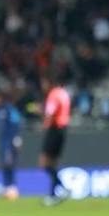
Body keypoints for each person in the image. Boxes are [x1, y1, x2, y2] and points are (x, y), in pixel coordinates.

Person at [39, 75, 71, 206]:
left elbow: (50, 114)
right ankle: (53, 194)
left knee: (44, 163)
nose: (42, 86)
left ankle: (62, 188)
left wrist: (45, 123)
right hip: (63, 130)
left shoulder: (53, 95)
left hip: (54, 129)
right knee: (53, 165)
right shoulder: (64, 93)